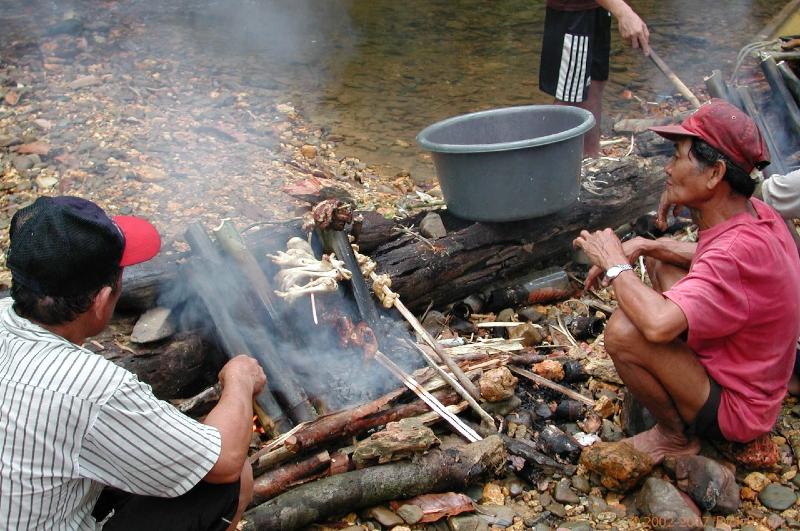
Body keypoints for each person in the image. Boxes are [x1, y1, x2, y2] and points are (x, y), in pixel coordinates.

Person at [0, 196, 266, 530]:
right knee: (230, 479)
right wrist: (239, 379)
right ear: (100, 300)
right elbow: (224, 459)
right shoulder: (93, 387)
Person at [572, 99, 800, 463]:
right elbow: (718, 264)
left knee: (624, 331)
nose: (667, 168)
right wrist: (650, 244)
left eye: (678, 157)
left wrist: (615, 263)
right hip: (762, 373)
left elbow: (659, 325)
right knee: (663, 265)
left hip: (739, 411)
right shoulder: (759, 214)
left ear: (714, 174)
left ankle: (673, 436)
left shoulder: (733, 252)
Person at [539, 0, 650, 157]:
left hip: (598, 8)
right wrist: (624, 12)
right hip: (573, 14)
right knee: (570, 97)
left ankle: (590, 159)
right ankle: (551, 166)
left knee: (594, 86)